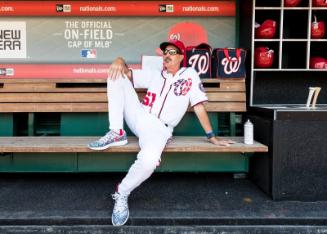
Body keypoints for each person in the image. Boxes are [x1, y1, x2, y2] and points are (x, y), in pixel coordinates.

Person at [88, 39, 235, 226]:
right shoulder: (156, 75)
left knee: (149, 161)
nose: (167, 54)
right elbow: (126, 73)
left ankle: (121, 192)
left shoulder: (190, 75)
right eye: (165, 51)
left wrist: (211, 137)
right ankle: (116, 132)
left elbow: (198, 106)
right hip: (139, 116)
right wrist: (119, 60)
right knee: (116, 74)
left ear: (182, 56)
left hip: (159, 129)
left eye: (172, 52)